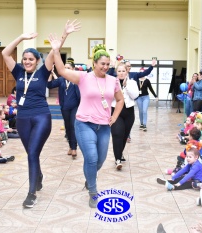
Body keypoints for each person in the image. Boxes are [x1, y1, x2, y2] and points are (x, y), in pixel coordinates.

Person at [2, 20, 80, 208]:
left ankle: (31, 193)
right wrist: (21, 37)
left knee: (32, 153)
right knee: (31, 153)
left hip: (41, 116)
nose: (27, 62)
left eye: (31, 59)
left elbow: (55, 50)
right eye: (25, 59)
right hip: (22, 118)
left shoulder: (43, 72)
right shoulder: (18, 72)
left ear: (37, 61)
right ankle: (39, 175)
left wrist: (64, 34)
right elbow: (5, 53)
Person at [48, 27, 124, 208]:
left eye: (108, 64)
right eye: (102, 64)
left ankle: (89, 178)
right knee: (91, 158)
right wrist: (58, 48)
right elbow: (60, 69)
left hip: (104, 126)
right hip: (84, 124)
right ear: (94, 63)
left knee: (100, 160)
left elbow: (120, 100)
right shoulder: (83, 77)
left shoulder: (113, 80)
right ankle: (93, 190)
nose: (105, 67)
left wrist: (114, 116)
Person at [47, 58, 80, 158]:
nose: (66, 69)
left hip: (75, 107)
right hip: (64, 107)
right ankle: (70, 146)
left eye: (68, 68)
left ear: (73, 69)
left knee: (73, 126)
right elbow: (49, 85)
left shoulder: (76, 79)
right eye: (64, 68)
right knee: (68, 127)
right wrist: (50, 73)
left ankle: (74, 148)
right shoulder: (61, 79)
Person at [111, 62, 139, 169]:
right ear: (116, 72)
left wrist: (126, 86)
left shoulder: (132, 82)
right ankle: (117, 159)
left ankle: (120, 153)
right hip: (116, 111)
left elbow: (135, 96)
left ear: (127, 71)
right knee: (117, 133)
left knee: (124, 135)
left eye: (123, 71)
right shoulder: (112, 82)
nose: (121, 73)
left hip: (129, 112)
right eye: (119, 71)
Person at [136, 67, 158, 131]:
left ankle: (145, 124)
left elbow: (151, 89)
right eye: (140, 72)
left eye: (142, 72)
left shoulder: (147, 80)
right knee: (140, 111)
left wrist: (155, 96)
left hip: (146, 97)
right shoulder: (136, 80)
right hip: (138, 98)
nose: (141, 73)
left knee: (144, 111)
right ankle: (141, 123)